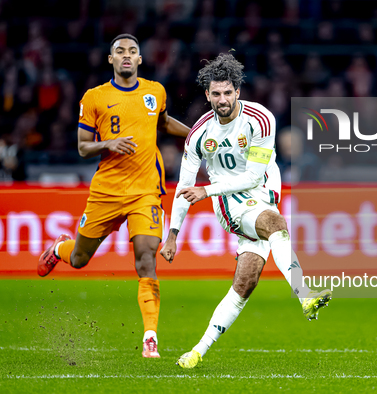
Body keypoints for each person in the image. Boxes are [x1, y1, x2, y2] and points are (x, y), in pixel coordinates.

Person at [159, 53, 332, 369]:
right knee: (276, 223)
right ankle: (305, 294)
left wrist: (204, 189)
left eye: (228, 92)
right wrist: (172, 235)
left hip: (259, 194)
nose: (222, 99)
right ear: (207, 95)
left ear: (237, 92)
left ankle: (196, 351)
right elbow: (185, 187)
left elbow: (253, 176)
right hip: (230, 203)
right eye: (216, 93)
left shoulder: (260, 118)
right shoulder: (199, 134)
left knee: (245, 282)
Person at [37, 34, 191, 358]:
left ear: (139, 60)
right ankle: (58, 248)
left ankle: (150, 337)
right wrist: (106, 143)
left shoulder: (155, 91)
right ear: (110, 60)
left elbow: (162, 123)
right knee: (79, 259)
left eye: (132, 51)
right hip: (107, 190)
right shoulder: (94, 97)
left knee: (147, 257)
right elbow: (81, 147)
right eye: (119, 51)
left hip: (145, 191)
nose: (126, 55)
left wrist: (195, 133)